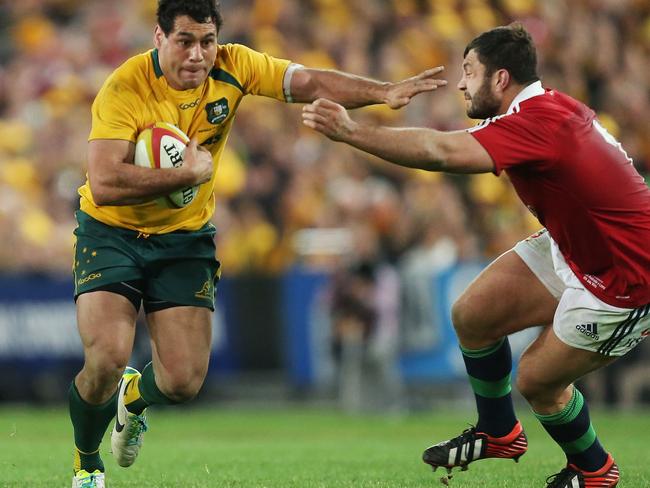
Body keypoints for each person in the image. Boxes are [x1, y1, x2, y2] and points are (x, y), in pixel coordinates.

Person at [68, 1, 448, 486]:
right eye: (185, 41)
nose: (198, 55)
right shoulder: (125, 86)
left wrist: (384, 91)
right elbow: (103, 182)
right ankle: (86, 463)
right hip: (112, 232)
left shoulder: (235, 64)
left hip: (184, 238)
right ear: (159, 38)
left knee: (182, 383)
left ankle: (135, 397)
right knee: (104, 357)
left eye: (207, 41)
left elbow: (308, 82)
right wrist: (185, 173)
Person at [302, 23, 650, 488]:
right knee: (474, 315)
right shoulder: (544, 109)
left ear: (501, 79)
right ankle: (499, 431)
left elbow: (440, 151)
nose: (462, 83)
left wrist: (351, 132)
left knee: (537, 381)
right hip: (577, 246)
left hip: (627, 277)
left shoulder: (537, 123)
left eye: (469, 71)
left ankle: (595, 470)